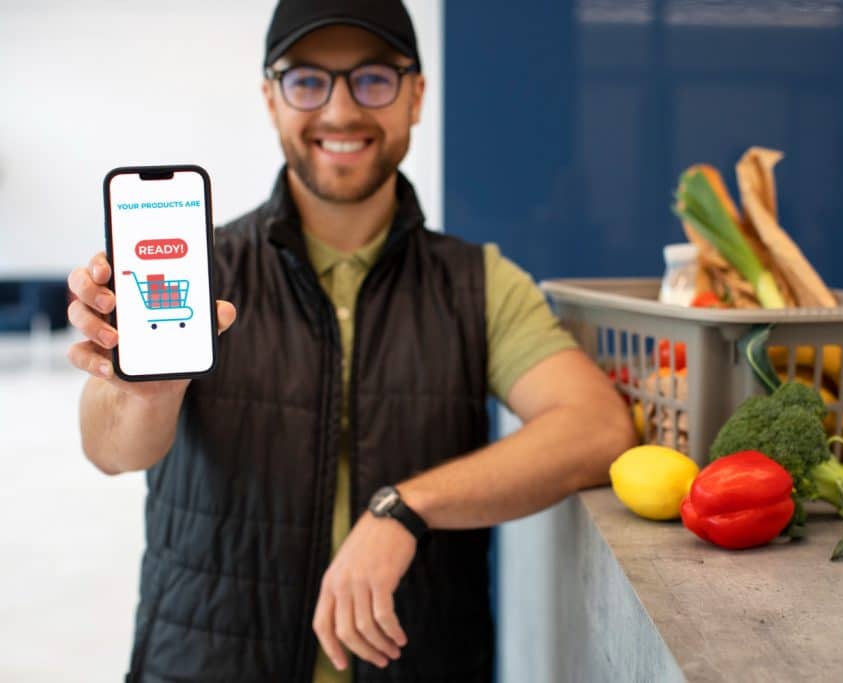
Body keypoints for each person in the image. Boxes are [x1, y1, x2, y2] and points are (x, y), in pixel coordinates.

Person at [65, 1, 634, 681]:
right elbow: (110, 450)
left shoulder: (479, 283)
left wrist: (406, 507)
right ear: (271, 98)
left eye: (372, 79)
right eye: (307, 80)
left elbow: (598, 428)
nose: (339, 111)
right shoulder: (203, 270)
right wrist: (146, 391)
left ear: (416, 96)